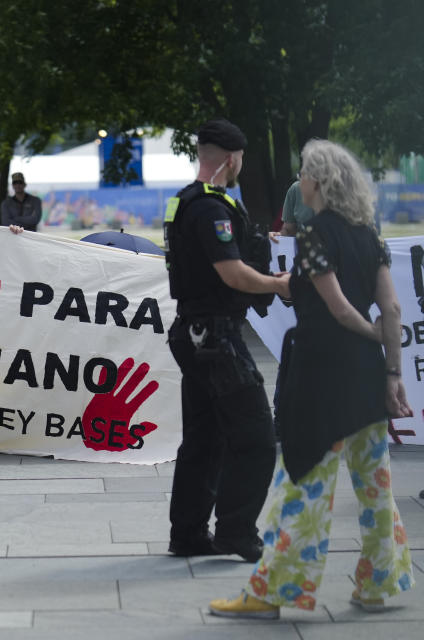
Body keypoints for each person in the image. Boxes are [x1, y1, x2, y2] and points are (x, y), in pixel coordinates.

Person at [209, 139, 415, 619]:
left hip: (321, 377)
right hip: (365, 378)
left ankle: (272, 592)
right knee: (375, 484)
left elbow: (338, 308)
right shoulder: (369, 234)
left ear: (317, 181)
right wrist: (390, 368)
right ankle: (378, 584)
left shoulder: (316, 236)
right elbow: (392, 307)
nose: (299, 179)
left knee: (304, 485)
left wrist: (368, 336)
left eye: (303, 172)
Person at [163, 118, 289, 562]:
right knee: (256, 434)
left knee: (205, 435)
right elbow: (231, 273)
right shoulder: (212, 208)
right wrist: (278, 285)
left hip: (195, 332)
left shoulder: (183, 203)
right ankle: (236, 531)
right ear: (232, 159)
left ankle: (189, 533)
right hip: (215, 337)